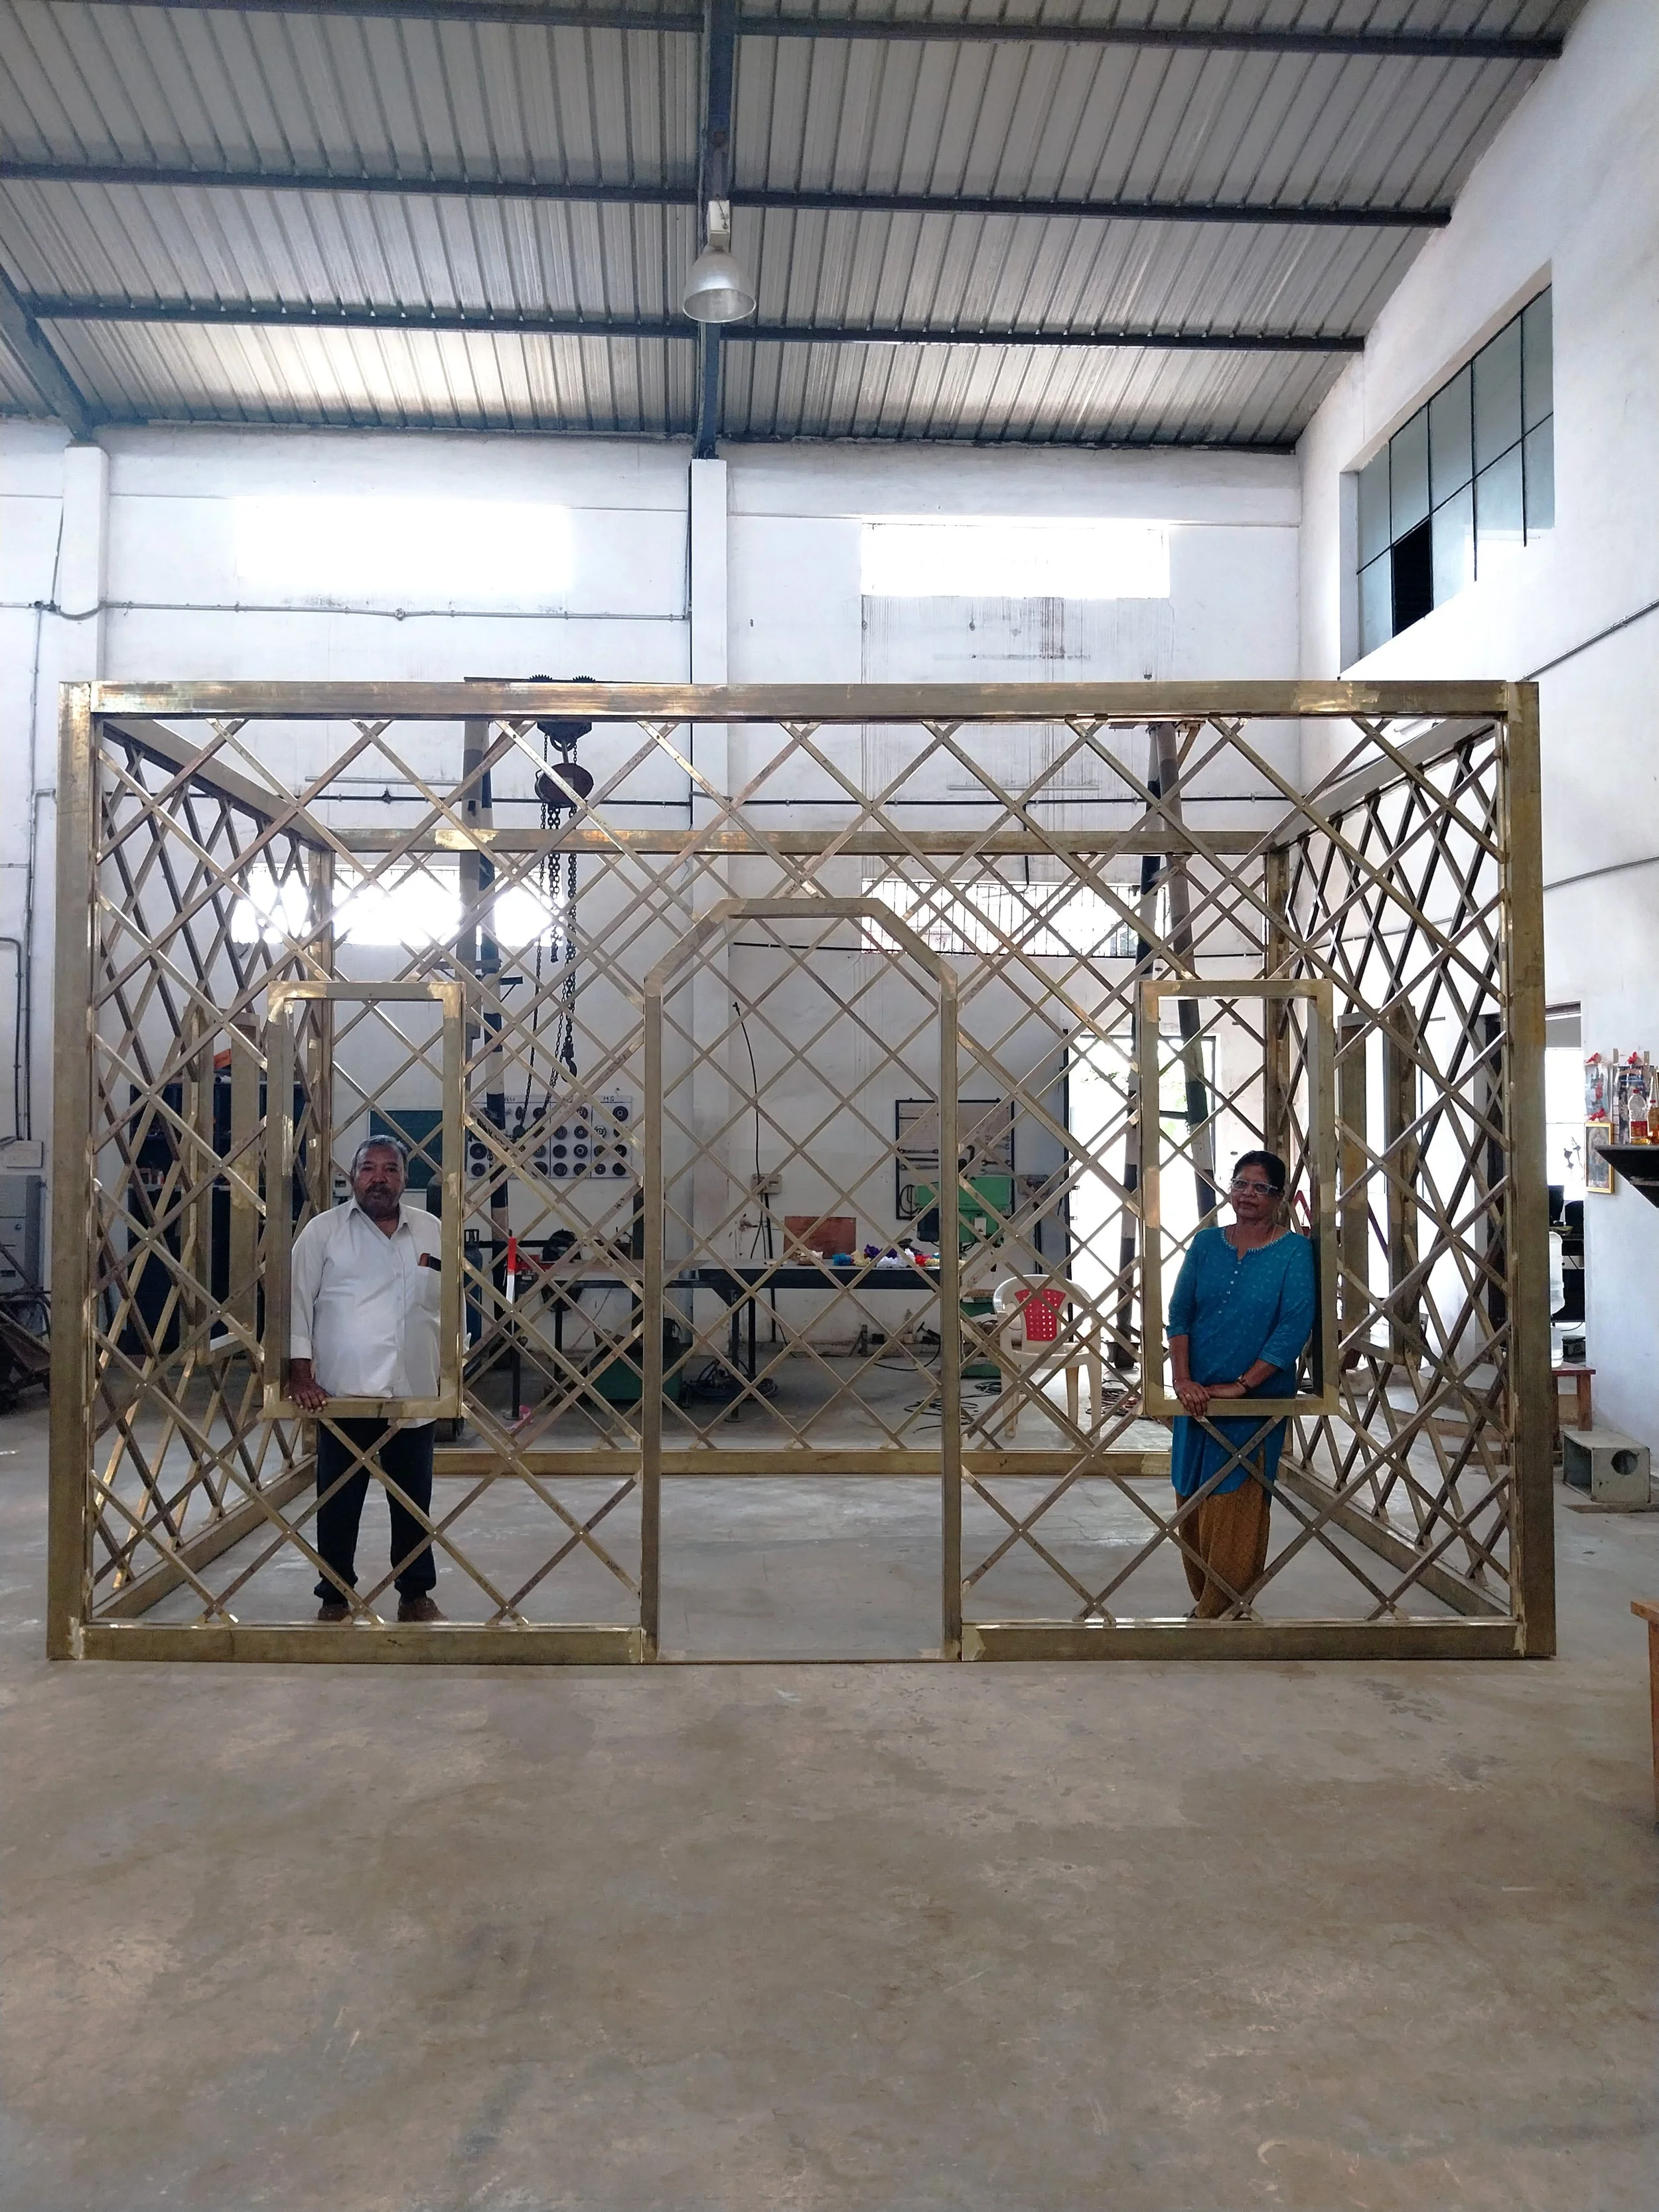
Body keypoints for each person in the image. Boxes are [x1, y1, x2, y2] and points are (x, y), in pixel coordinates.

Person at [289, 1136, 445, 1623]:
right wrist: (300, 1372)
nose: (380, 1178)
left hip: (413, 1392)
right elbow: (296, 1302)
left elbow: (449, 1305)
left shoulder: (433, 1231)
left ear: (405, 1177)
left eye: (390, 1169)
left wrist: (452, 1376)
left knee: (413, 1502)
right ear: (352, 1176)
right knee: (339, 1500)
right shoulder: (323, 1233)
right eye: (368, 1168)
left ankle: (415, 1594)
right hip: (343, 1394)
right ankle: (335, 1596)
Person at [1167, 1149, 1316, 1620]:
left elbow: (1293, 1326)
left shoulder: (1293, 1251)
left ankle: (1225, 1607)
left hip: (1255, 1402)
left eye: (1261, 1187)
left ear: (1279, 1197)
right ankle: (1205, 1600)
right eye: (1241, 1184)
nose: (1248, 1194)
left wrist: (1242, 1386)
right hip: (1197, 1395)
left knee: (1235, 1500)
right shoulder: (1206, 1244)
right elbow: (1180, 1314)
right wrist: (1182, 1378)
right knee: (1191, 1494)